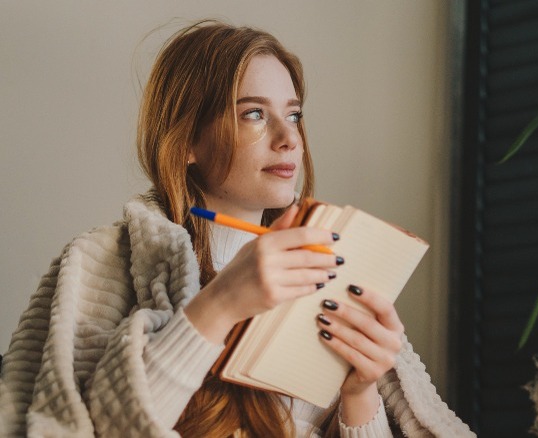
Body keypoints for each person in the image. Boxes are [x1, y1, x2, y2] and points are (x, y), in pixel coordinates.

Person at [0, 20, 474, 437]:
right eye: (253, 113)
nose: (289, 139)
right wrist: (222, 303)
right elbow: (87, 428)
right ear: (187, 141)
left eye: (293, 114)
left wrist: (360, 393)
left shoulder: (327, 273)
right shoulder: (101, 263)